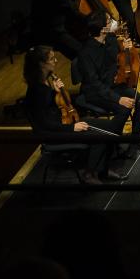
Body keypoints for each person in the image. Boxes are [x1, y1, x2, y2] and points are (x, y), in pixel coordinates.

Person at [24, 45, 124, 185]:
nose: (55, 61)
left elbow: (59, 105)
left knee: (111, 126)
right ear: (41, 64)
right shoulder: (36, 91)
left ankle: (102, 169)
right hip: (53, 133)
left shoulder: (48, 80)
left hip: (65, 122)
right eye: (52, 59)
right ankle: (89, 173)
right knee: (101, 136)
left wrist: (57, 92)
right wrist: (72, 128)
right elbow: (44, 123)